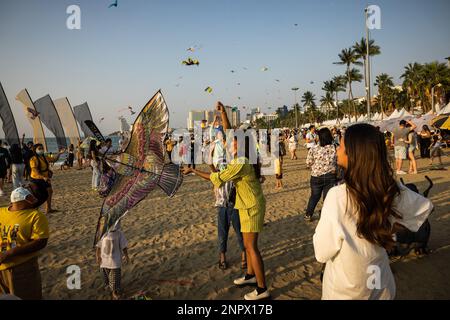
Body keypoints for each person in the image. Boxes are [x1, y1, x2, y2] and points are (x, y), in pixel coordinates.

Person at [313, 124, 433, 299]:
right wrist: (388, 230)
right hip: (380, 285)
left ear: (354, 155)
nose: (337, 150)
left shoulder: (337, 197)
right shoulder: (391, 189)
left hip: (346, 290)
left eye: (341, 146)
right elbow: (425, 209)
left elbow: (322, 252)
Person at [182, 104, 269, 301]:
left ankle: (262, 289)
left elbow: (217, 177)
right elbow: (230, 134)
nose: (230, 144)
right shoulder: (244, 156)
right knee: (247, 246)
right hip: (246, 204)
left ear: (241, 145)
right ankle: (250, 276)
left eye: (234, 143)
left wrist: (193, 170)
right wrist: (222, 114)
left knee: (252, 247)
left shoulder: (240, 163)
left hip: (252, 207)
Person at [0, 187, 49, 300]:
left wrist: (9, 253)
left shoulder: (35, 216)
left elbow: (41, 242)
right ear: (20, 201)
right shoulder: (1, 212)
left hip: (22, 268)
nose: (34, 200)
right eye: (30, 198)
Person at [304, 128, 337, 221]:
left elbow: (308, 163)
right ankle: (323, 214)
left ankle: (308, 214)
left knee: (314, 196)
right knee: (327, 198)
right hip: (330, 175)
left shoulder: (314, 148)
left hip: (316, 176)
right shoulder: (334, 147)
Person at [96, 222, 129, 300]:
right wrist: (97, 255)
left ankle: (114, 292)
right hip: (104, 261)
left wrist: (126, 255)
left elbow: (124, 246)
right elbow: (98, 245)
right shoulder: (103, 233)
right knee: (106, 277)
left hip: (115, 261)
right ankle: (109, 287)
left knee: (114, 278)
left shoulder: (119, 234)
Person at [29, 144, 64, 214]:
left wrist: (59, 153)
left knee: (50, 191)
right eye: (39, 148)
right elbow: (35, 170)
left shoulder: (44, 157)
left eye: (42, 148)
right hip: (36, 178)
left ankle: (48, 208)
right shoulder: (33, 159)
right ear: (35, 150)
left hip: (45, 178)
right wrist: (43, 177)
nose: (41, 149)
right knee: (38, 195)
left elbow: (54, 159)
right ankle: (34, 209)